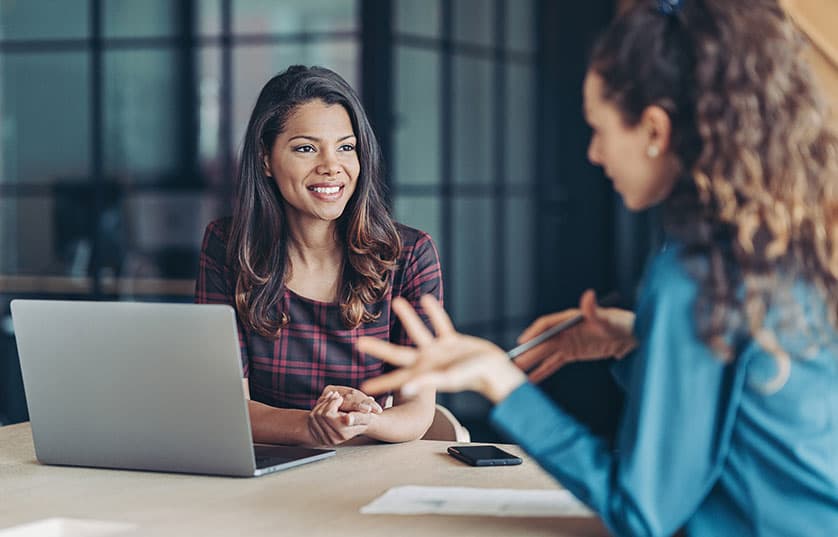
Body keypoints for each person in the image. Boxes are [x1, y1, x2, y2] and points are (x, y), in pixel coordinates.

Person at [358, 1, 838, 535]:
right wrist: (641, 342)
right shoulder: (781, 240)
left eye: (599, 128)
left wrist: (498, 381)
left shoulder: (695, 273)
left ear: (654, 128)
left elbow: (640, 511)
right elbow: (752, 409)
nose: (593, 152)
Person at [196, 66, 442, 447]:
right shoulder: (228, 247)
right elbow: (226, 406)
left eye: (346, 147)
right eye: (306, 148)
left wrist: (359, 419)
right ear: (265, 159)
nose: (332, 166)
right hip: (264, 465)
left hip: (365, 464)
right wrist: (310, 427)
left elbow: (417, 411)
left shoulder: (408, 255)